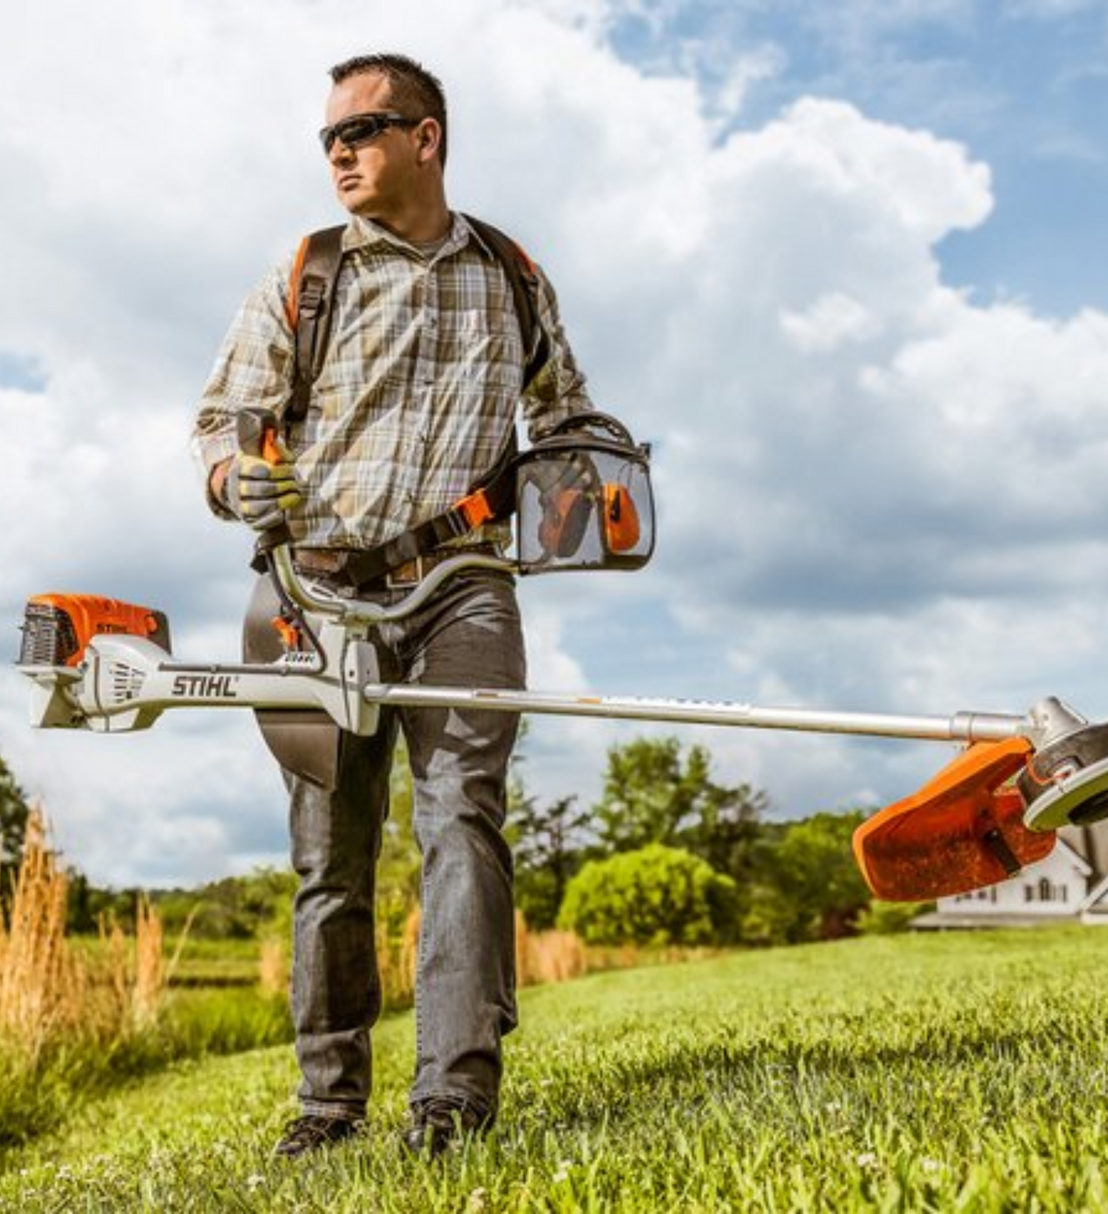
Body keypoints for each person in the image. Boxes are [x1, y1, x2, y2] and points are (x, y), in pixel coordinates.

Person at [191, 52, 595, 1159]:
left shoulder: (511, 275)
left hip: (462, 582)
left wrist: (587, 486)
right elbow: (224, 415)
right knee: (331, 853)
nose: (337, 151)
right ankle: (328, 1102)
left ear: (426, 139)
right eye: (327, 136)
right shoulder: (305, 273)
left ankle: (453, 1099)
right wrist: (233, 478)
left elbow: (563, 416)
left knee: (461, 819)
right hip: (310, 595)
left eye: (362, 130)